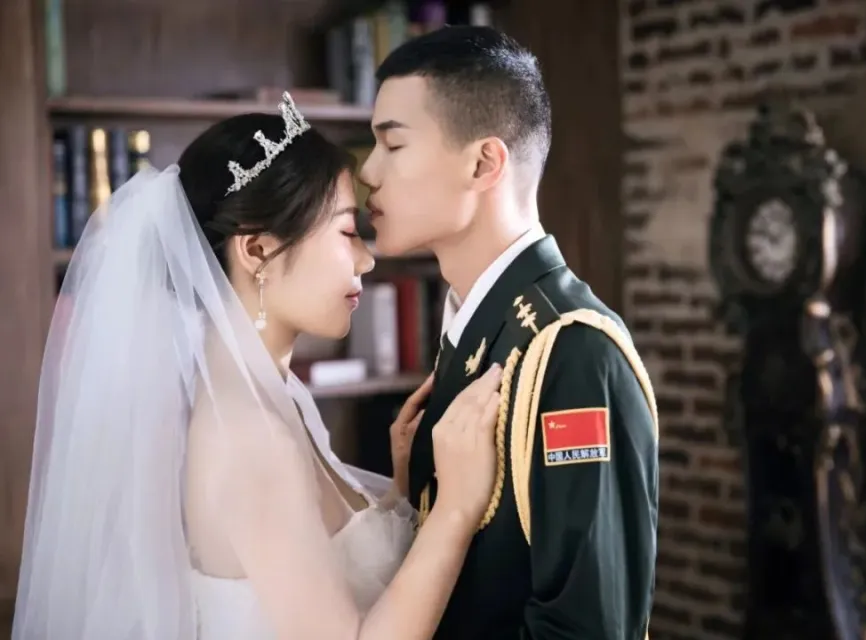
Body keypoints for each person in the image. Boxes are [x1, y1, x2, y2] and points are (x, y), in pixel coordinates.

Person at [12, 93, 503, 640]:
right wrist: (456, 509)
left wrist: (400, 492)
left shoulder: (271, 392)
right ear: (257, 251)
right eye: (347, 232)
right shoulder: (248, 435)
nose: (366, 259)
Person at [359, 26, 660, 639]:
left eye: (393, 144)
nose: (368, 170)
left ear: (483, 163)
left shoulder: (573, 348)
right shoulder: (476, 326)